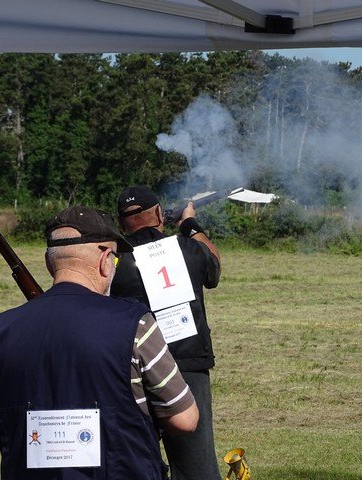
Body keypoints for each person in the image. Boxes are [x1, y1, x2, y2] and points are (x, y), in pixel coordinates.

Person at [0, 205, 198, 480]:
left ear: (48, 262)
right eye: (114, 261)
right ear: (104, 259)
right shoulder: (136, 324)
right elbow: (185, 419)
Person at [111, 185, 221, 480]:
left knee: (135, 459)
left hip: (133, 368)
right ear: (159, 213)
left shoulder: (113, 261)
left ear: (121, 221)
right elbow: (214, 268)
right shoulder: (185, 246)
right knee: (196, 464)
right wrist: (189, 223)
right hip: (187, 366)